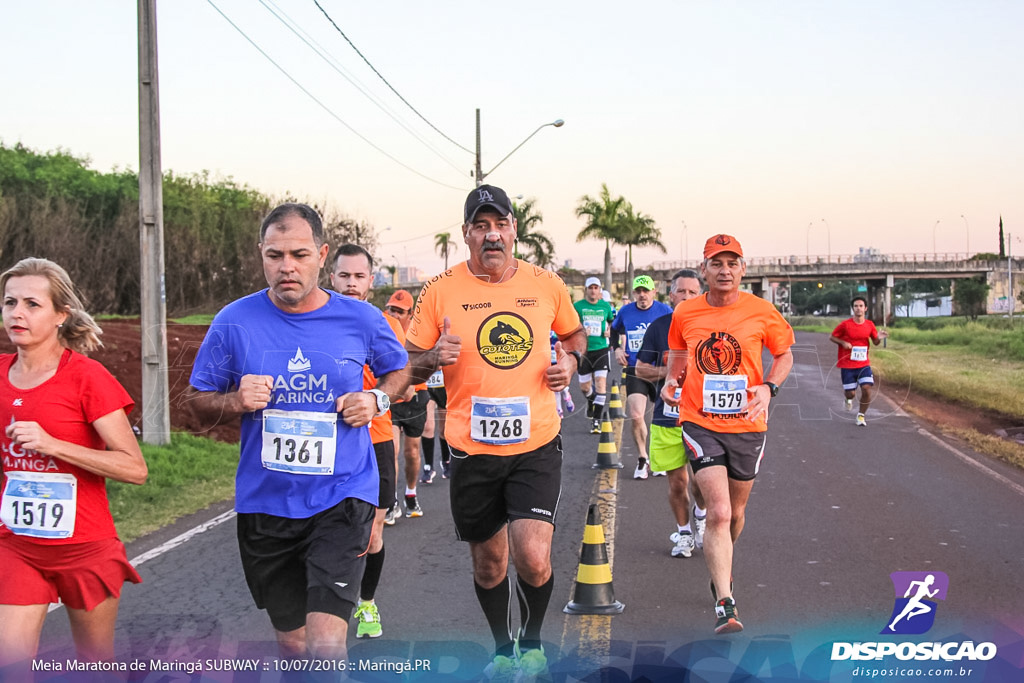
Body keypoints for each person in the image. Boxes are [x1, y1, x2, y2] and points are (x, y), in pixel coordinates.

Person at [186, 203, 408, 660]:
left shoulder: (361, 319)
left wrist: (376, 399)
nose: (287, 266)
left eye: (300, 254)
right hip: (266, 502)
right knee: (293, 644)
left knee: (327, 644)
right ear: (261, 255)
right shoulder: (234, 321)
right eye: (275, 255)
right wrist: (234, 400)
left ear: (322, 254)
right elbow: (195, 402)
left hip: (343, 497)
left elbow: (399, 371)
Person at [404, 184, 586, 680]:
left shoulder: (546, 284)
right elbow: (408, 364)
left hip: (536, 444)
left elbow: (575, 337)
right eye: (480, 226)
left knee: (533, 557)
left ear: (514, 231)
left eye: (500, 224)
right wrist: (429, 359)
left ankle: (532, 643)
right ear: (466, 234)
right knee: (489, 564)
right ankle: (503, 649)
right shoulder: (440, 289)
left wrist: (569, 361)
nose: (491, 235)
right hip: (470, 448)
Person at [0, 258, 148, 671]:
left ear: (60, 315)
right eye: (10, 302)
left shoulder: (87, 377)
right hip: (17, 544)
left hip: (84, 545)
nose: (17, 313)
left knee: (95, 665)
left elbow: (134, 469)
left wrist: (53, 445)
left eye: (32, 304)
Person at [662, 234, 794, 634]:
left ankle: (723, 570)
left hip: (748, 424)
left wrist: (768, 388)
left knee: (735, 514)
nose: (724, 270)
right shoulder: (686, 312)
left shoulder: (762, 311)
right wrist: (672, 380)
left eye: (731, 263)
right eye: (716, 263)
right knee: (718, 512)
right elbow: (680, 352)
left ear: (743, 269)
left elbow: (785, 353)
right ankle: (725, 601)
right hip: (700, 420)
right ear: (703, 269)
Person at [329, 243, 403, 639]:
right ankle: (328, 606)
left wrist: (377, 398)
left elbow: (404, 377)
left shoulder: (381, 325)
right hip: (328, 444)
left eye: (359, 277)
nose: (351, 284)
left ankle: (367, 604)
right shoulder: (313, 321)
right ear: (332, 278)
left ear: (370, 282)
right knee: (327, 528)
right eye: (345, 276)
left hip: (374, 440)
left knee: (372, 533)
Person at [635, 269, 708, 558]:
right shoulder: (658, 327)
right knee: (678, 483)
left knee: (702, 482)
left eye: (693, 292)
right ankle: (684, 533)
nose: (687, 297)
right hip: (667, 417)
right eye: (682, 292)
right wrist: (672, 372)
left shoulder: (710, 326)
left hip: (703, 417)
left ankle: (700, 515)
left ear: (701, 295)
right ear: (671, 294)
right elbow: (640, 368)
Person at [610, 275, 672, 479]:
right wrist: (618, 349)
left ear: (654, 292)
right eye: (639, 291)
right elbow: (613, 331)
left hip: (661, 370)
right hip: (635, 369)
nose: (642, 295)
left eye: (646, 291)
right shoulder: (626, 311)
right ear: (634, 293)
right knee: (636, 415)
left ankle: (658, 457)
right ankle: (643, 458)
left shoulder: (665, 312)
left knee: (660, 418)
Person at [384, 290, 429, 517]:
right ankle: (391, 502)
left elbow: (428, 360)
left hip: (416, 397)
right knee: (391, 450)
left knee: (411, 452)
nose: (394, 314)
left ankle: (411, 493)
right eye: (391, 308)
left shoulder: (419, 329)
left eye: (400, 311)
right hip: (391, 397)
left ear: (410, 314)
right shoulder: (381, 324)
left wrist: (412, 379)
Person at [830, 296, 888, 426]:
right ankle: (848, 399)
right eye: (856, 306)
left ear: (865, 308)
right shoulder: (845, 325)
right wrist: (843, 342)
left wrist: (878, 337)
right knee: (851, 393)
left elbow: (875, 342)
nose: (858, 308)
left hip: (863, 364)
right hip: (848, 364)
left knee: (867, 388)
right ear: (853, 309)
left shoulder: (869, 325)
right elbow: (832, 337)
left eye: (861, 306)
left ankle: (861, 416)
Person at [573, 276, 615, 432]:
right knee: (584, 387)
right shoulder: (577, 306)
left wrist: (609, 330)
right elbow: (571, 325)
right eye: (590, 288)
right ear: (586, 290)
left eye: (596, 288)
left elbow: (611, 321)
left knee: (601, 383)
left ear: (600, 290)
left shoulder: (605, 306)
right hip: (583, 351)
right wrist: (582, 331)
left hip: (601, 349)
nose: (593, 290)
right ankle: (591, 401)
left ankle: (596, 421)